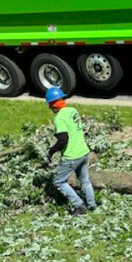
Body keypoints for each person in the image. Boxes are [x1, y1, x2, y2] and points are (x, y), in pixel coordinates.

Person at [44, 87, 97, 215]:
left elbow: (63, 141)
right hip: (84, 152)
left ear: (53, 105)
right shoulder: (73, 110)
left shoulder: (59, 119)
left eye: (50, 105)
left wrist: (51, 151)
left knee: (59, 182)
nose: (50, 108)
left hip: (71, 156)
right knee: (84, 180)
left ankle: (79, 206)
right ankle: (92, 204)